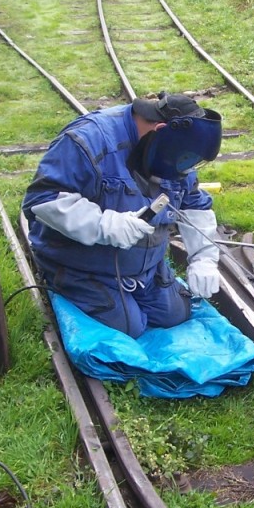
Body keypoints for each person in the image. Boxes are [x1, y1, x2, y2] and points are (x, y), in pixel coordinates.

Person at [22, 92, 223, 339]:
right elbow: (42, 199)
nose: (185, 168)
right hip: (82, 265)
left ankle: (140, 285)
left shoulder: (175, 152)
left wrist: (204, 259)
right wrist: (104, 224)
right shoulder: (87, 140)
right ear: (160, 130)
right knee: (129, 327)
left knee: (175, 315)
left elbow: (195, 205)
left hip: (146, 269)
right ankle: (63, 281)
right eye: (184, 160)